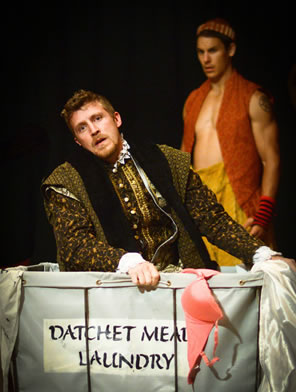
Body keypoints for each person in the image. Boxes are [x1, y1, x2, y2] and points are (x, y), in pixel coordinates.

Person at [41, 89, 294, 287]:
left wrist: (260, 253)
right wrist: (125, 262)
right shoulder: (66, 181)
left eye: (98, 118)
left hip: (180, 284)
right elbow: (74, 246)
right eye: (82, 127)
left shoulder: (168, 161)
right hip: (114, 296)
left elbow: (212, 220)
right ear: (78, 141)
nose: (94, 130)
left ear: (116, 119)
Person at [181, 18, 280, 266]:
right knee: (203, 285)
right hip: (201, 203)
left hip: (240, 203)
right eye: (201, 52)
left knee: (246, 286)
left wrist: (262, 215)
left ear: (230, 50)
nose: (206, 59)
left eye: (213, 50)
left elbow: (272, 159)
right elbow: (183, 156)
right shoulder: (193, 100)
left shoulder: (252, 97)